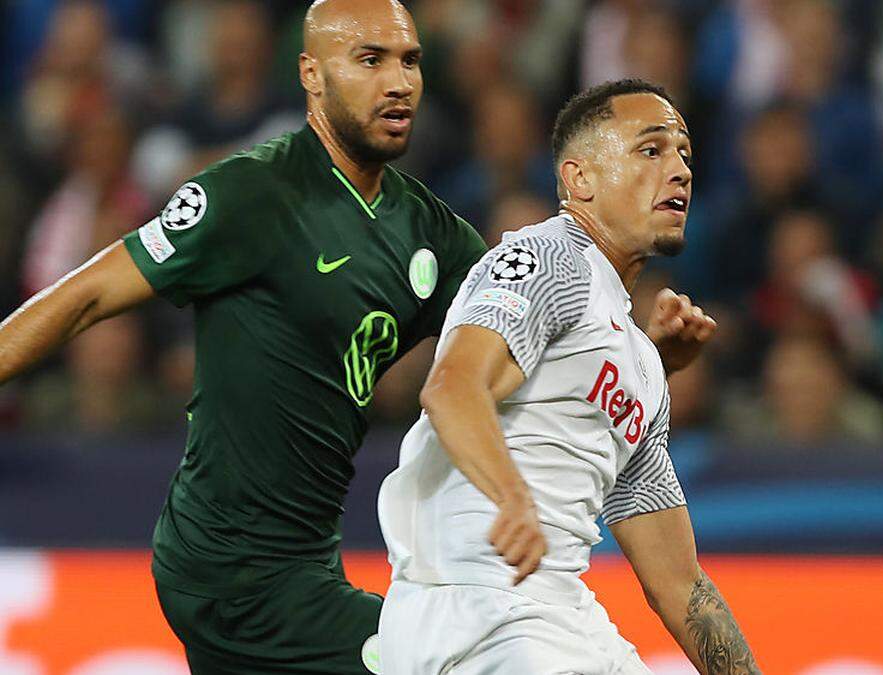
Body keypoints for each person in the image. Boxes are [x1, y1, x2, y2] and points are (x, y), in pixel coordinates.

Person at [0, 2, 708, 673]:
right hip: (227, 566)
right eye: (370, 60)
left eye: (410, 60)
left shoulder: (431, 232)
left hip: (309, 562)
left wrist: (647, 355)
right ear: (312, 73)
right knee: (438, 655)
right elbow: (86, 293)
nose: (398, 82)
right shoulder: (250, 194)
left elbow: (534, 345)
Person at [377, 79, 759, 674]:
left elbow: (680, 585)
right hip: (478, 613)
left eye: (685, 153)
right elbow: (452, 387)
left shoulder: (642, 369)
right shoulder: (549, 259)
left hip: (560, 616)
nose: (680, 170)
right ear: (579, 179)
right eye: (651, 150)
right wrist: (511, 498)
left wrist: (650, 366)